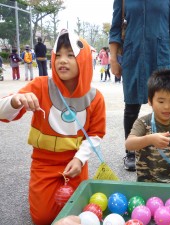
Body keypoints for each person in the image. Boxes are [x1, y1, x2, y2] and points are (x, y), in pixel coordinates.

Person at [0, 29, 106, 225]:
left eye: (70, 55)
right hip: (44, 163)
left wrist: (80, 159)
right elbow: (2, 112)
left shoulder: (95, 97)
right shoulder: (40, 85)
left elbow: (95, 134)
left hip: (74, 164)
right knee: (43, 219)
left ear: (83, 59)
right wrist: (16, 100)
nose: (62, 60)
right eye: (58, 54)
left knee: (80, 215)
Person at [109, 0, 170, 171]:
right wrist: (113, 59)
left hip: (160, 55)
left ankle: (163, 150)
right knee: (131, 106)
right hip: (133, 55)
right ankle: (131, 151)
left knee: (163, 105)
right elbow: (115, 27)